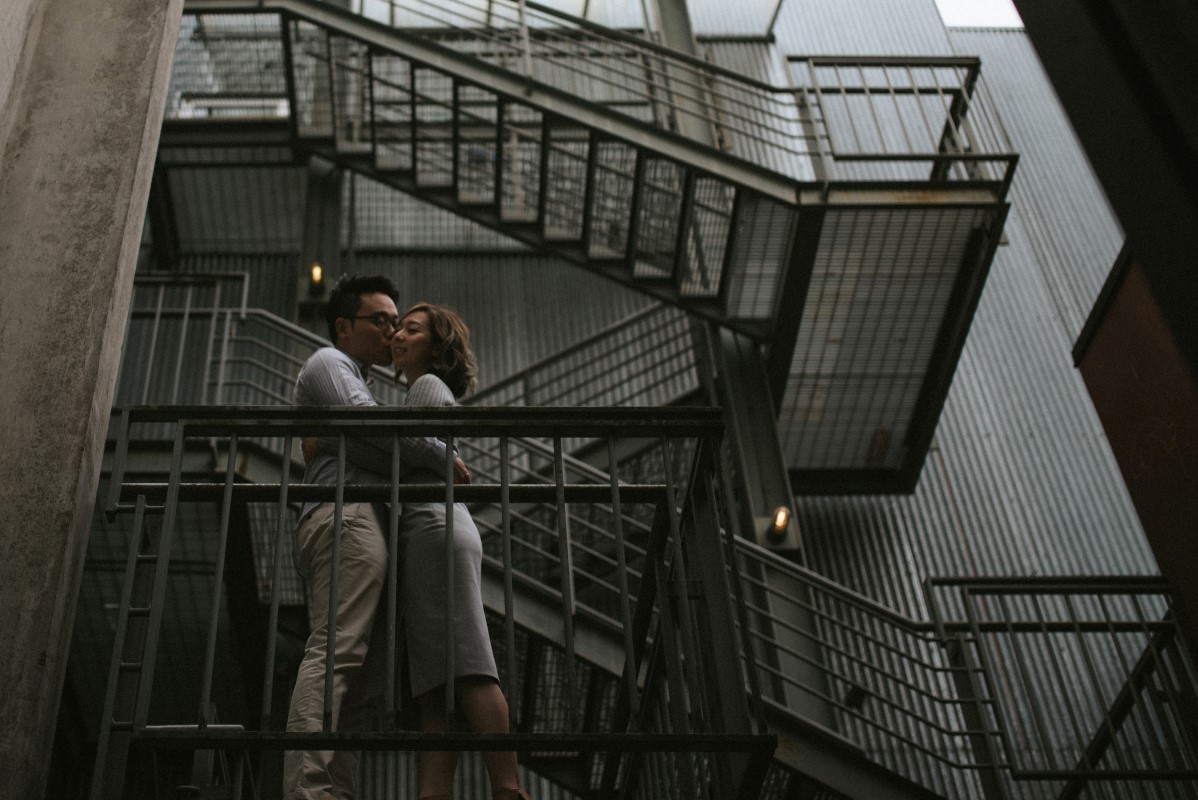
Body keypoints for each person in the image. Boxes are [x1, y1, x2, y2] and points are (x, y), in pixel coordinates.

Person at [284, 275, 466, 800]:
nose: (392, 330)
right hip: (346, 516)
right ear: (345, 326)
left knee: (361, 679)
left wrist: (357, 445)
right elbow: (368, 427)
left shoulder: (361, 380)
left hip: (365, 521)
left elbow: (365, 444)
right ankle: (308, 790)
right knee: (337, 652)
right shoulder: (329, 363)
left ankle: (335, 791)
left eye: (398, 321)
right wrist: (441, 457)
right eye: (382, 320)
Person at [391, 302, 530, 800]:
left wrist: (442, 455)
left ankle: (508, 787)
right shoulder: (421, 390)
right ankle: (436, 793)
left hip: (433, 528)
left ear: (437, 345)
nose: (399, 335)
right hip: (433, 529)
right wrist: (445, 455)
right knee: (437, 683)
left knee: (468, 665)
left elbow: (407, 442)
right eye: (398, 328)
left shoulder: (427, 385)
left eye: (412, 329)